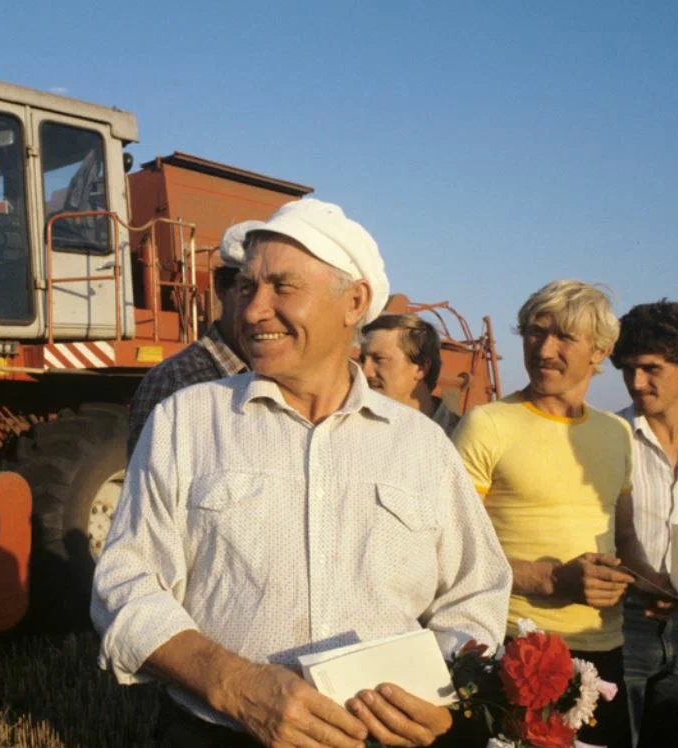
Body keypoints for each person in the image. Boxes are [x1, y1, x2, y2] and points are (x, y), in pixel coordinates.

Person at [94, 198, 512, 748]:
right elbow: (124, 584)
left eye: (282, 288)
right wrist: (233, 684)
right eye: (247, 288)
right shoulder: (187, 420)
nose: (252, 310)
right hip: (221, 732)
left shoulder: (422, 446)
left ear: (354, 302)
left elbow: (476, 595)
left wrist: (441, 694)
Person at [452, 279, 637, 748]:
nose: (544, 349)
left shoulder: (617, 433)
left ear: (600, 351)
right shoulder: (487, 424)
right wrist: (553, 580)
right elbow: (450, 553)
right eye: (535, 332)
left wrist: (651, 585)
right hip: (514, 650)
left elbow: (627, 541)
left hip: (604, 654)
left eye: (564, 337)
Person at [609, 299, 678, 747]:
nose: (637, 382)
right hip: (624, 616)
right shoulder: (608, 439)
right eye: (628, 369)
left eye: (651, 368)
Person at [125, 221, 255, 460]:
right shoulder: (176, 383)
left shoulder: (280, 375)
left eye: (280, 289)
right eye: (248, 290)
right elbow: (148, 490)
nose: (263, 309)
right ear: (220, 289)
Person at [359, 314, 461, 435]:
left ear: (421, 367)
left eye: (379, 359)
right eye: (362, 360)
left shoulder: (461, 440)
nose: (365, 372)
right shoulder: (354, 428)